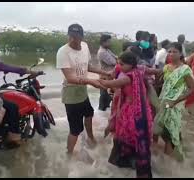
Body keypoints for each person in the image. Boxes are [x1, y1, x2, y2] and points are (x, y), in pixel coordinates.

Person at [100, 51, 160, 178]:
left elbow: (109, 84)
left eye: (121, 64)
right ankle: (131, 164)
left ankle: (127, 165)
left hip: (133, 113)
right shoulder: (140, 70)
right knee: (132, 139)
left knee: (127, 137)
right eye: (118, 63)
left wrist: (85, 80)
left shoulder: (128, 77)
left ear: (131, 64)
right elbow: (154, 71)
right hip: (138, 110)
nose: (119, 66)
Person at [56, 23, 110, 155]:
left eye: (77, 36)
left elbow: (88, 67)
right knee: (75, 129)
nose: (74, 39)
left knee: (89, 113)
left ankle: (90, 137)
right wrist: (91, 81)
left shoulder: (85, 47)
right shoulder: (63, 52)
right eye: (71, 36)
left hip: (82, 91)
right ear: (69, 36)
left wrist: (105, 73)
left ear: (82, 36)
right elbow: (70, 78)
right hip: (71, 93)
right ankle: (69, 154)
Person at [153, 42, 194, 161]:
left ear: (181, 53)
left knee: (170, 133)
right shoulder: (167, 67)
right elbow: (164, 84)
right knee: (157, 128)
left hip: (175, 105)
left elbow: (192, 88)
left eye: (174, 52)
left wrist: (175, 101)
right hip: (163, 101)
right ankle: (157, 158)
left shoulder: (185, 70)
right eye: (169, 51)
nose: (171, 54)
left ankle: (168, 163)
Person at [97, 34, 117, 111]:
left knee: (107, 97)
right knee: (104, 97)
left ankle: (103, 114)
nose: (110, 43)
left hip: (109, 77)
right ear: (103, 42)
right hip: (105, 76)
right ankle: (100, 114)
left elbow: (116, 57)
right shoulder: (102, 52)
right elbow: (114, 62)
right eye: (108, 42)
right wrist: (118, 61)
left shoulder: (107, 50)